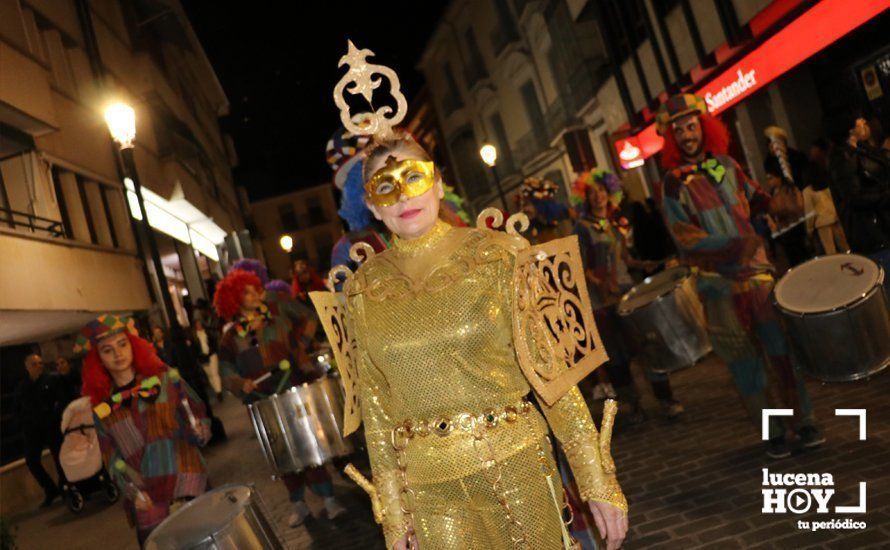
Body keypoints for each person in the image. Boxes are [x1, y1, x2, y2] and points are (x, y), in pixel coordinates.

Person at [313, 46, 628, 550]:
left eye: (413, 177)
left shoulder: (499, 254)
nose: (403, 196)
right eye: (385, 187)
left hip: (518, 464)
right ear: (371, 204)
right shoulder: (363, 289)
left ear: (437, 184)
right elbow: (376, 411)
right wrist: (396, 519)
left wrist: (596, 480)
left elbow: (554, 380)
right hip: (431, 491)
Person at [655, 93, 823, 458]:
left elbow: (756, 197)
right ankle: (772, 433)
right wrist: (733, 245)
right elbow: (685, 237)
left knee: (781, 353)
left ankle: (804, 422)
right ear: (671, 137)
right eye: (679, 129)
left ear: (704, 126)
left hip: (758, 277)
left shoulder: (726, 165)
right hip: (718, 287)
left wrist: (779, 204)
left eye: (692, 125)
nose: (687, 134)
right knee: (746, 367)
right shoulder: (672, 183)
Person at [214, 269, 347, 526]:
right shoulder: (230, 337)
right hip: (262, 399)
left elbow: (308, 319)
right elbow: (226, 369)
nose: (255, 295)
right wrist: (241, 383)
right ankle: (298, 503)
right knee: (281, 452)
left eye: (255, 289)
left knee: (310, 444)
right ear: (234, 300)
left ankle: (329, 498)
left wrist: (300, 347)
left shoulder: (277, 315)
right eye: (247, 292)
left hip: (292, 389)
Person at [77, 315, 210, 545]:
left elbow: (197, 413)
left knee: (208, 542)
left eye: (122, 344)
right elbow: (112, 461)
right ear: (98, 361)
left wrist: (199, 430)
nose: (118, 354)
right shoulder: (102, 411)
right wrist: (132, 492)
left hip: (186, 477)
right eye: (107, 350)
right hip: (146, 494)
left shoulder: (166, 380)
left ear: (133, 345)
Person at [573, 170, 683, 420]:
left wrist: (643, 265)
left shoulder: (614, 224)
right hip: (602, 300)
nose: (598, 197)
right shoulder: (582, 227)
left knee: (647, 345)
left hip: (626, 293)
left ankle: (666, 399)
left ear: (610, 193)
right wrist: (599, 282)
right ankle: (633, 405)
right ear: (586, 199)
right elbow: (580, 265)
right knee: (617, 355)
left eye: (601, 191)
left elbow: (625, 258)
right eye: (592, 193)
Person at [15, 354, 65, 507]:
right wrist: (24, 423)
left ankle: (66, 487)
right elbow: (16, 409)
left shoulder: (51, 380)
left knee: (60, 458)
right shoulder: (22, 387)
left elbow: (61, 400)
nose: (39, 366)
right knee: (32, 460)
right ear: (27, 367)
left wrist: (54, 416)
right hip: (33, 429)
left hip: (51, 426)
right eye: (35, 364)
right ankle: (50, 489)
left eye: (40, 363)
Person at [804, 138, 849, 254]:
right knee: (845, 247)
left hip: (822, 223)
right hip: (835, 217)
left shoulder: (808, 191)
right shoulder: (827, 183)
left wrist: (809, 229)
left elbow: (810, 211)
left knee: (830, 251)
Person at [763, 157, 809, 268]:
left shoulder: (790, 189)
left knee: (801, 261)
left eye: (771, 178)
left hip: (795, 230)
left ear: (779, 176)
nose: (769, 182)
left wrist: (779, 212)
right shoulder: (772, 193)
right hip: (782, 233)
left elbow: (798, 207)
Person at [193, 319, 223, 402]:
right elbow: (195, 348)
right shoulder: (194, 336)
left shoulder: (208, 332)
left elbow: (214, 341)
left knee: (214, 373)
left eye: (199, 323)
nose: (198, 325)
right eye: (197, 324)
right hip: (203, 358)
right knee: (209, 375)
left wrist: (214, 350)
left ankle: (219, 392)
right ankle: (217, 390)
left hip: (212, 354)